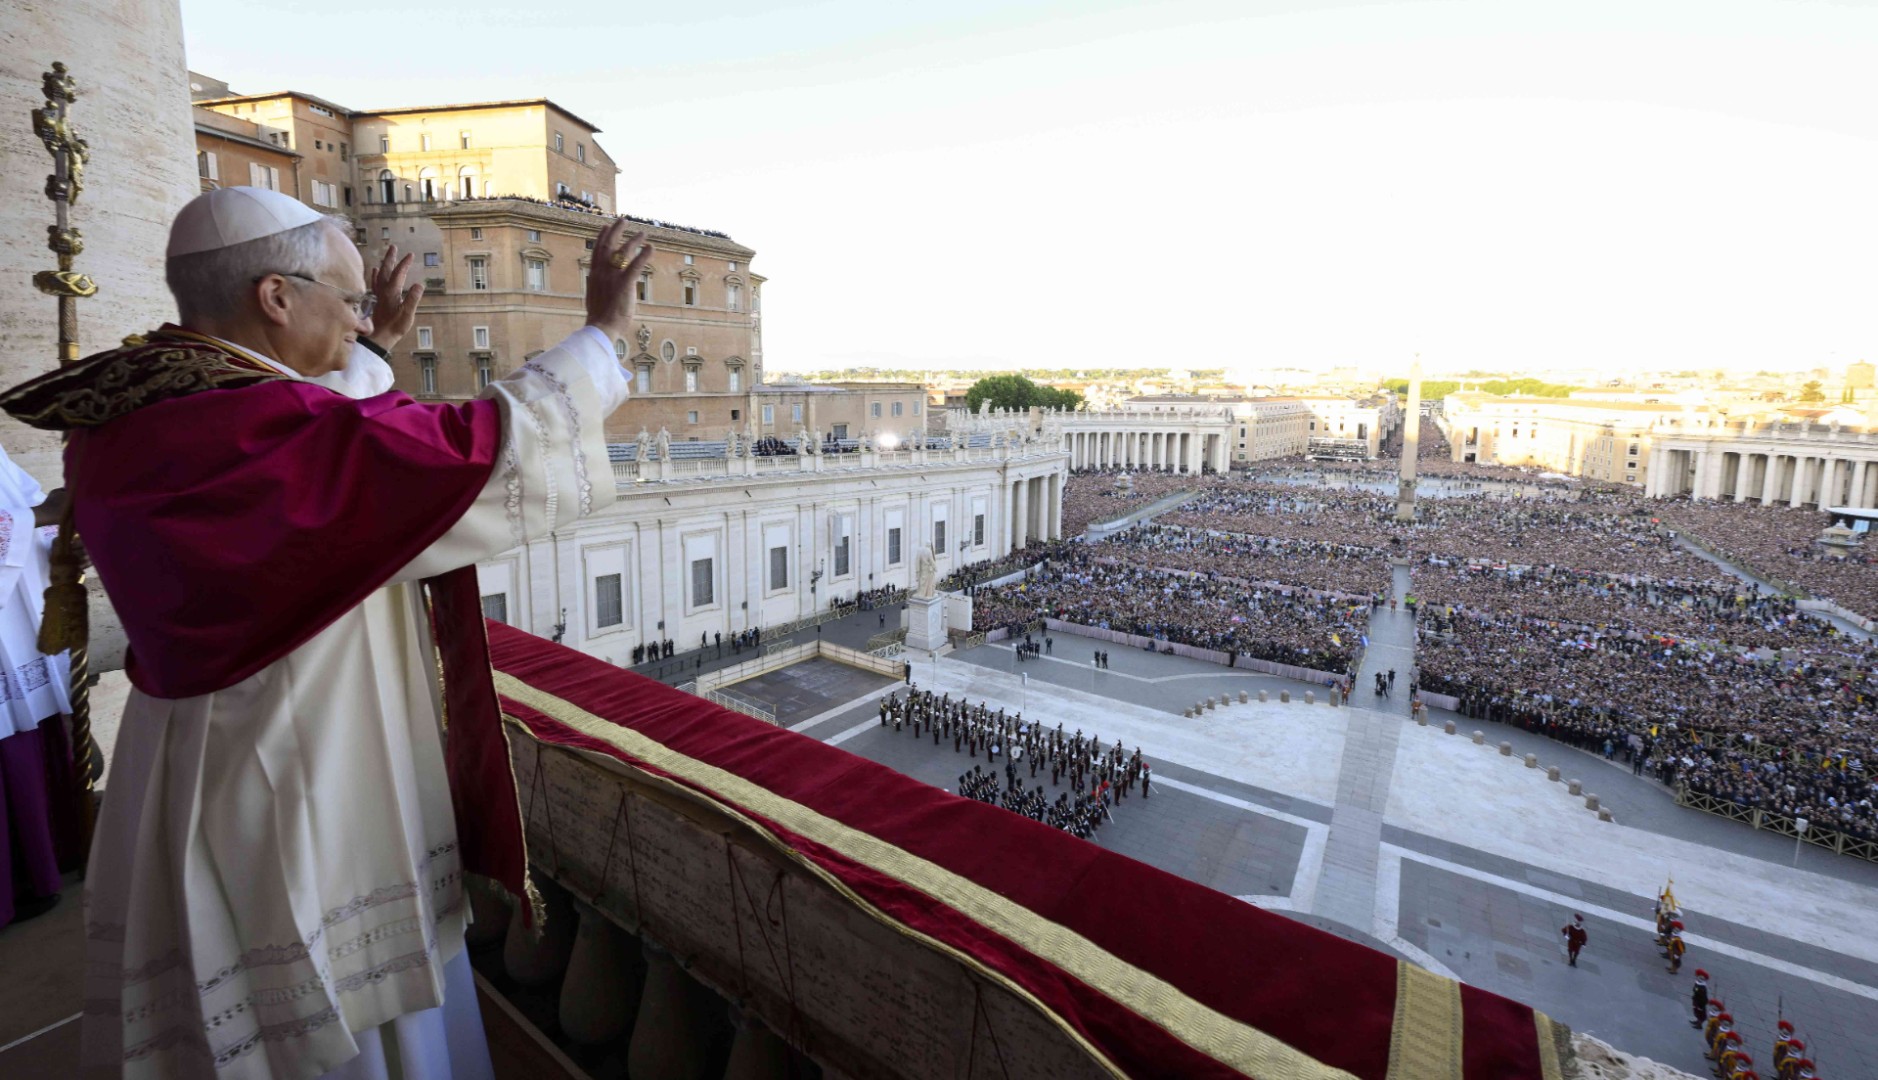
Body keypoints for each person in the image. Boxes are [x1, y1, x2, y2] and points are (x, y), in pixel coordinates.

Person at [0, 186, 656, 1079]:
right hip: (297, 763)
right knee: (338, 1014)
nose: (356, 324)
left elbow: (327, 424)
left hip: (194, 752)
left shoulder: (142, 406)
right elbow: (467, 448)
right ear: (275, 297)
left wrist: (375, 340)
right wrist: (603, 338)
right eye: (345, 303)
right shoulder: (261, 433)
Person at [0, 443, 74, 930]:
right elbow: (31, 509)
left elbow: (24, 506)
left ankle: (46, 864)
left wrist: (59, 538)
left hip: (20, 628)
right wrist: (46, 512)